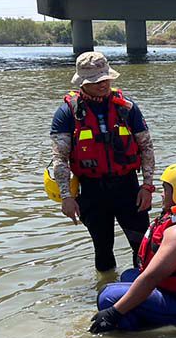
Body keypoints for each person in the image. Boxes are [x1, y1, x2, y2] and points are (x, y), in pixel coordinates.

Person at [90, 163, 176, 333]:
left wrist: (112, 313)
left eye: (166, 189)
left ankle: (132, 333)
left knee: (107, 296)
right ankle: (141, 315)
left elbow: (152, 277)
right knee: (129, 275)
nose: (162, 194)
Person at [49, 51, 156, 272]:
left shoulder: (126, 108)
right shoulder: (67, 113)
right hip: (92, 191)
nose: (103, 84)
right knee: (103, 249)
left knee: (143, 247)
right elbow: (59, 158)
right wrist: (66, 197)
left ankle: (145, 294)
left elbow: (146, 147)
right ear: (82, 82)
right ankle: (106, 290)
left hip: (128, 188)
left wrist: (147, 186)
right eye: (96, 81)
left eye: (105, 78)